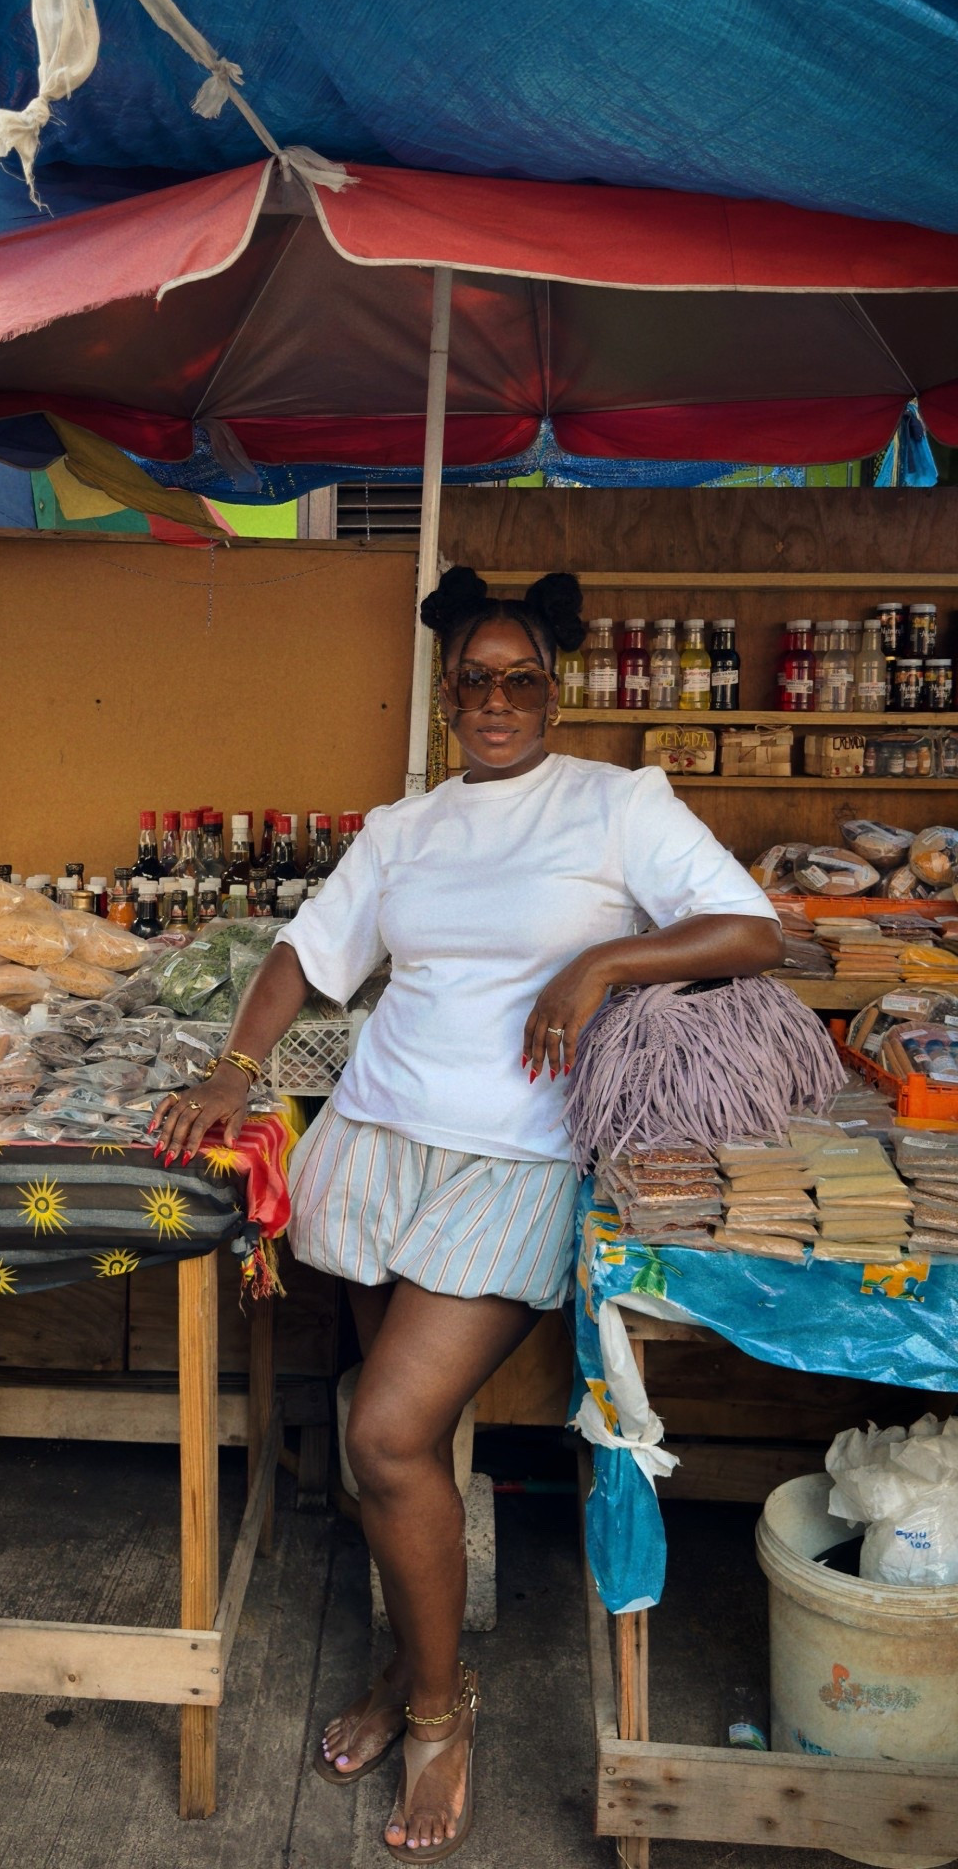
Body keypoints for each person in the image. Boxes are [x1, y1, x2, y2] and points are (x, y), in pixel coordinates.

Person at [151, 568, 783, 1861]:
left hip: (514, 1159)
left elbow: (749, 931)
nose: (497, 702)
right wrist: (237, 1063)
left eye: (522, 680)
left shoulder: (619, 808)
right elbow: (304, 957)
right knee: (390, 1435)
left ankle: (442, 1711)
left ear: (557, 691)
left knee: (387, 1431)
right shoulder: (404, 828)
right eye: (474, 684)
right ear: (450, 699)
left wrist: (601, 960)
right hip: (381, 1144)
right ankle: (405, 1663)